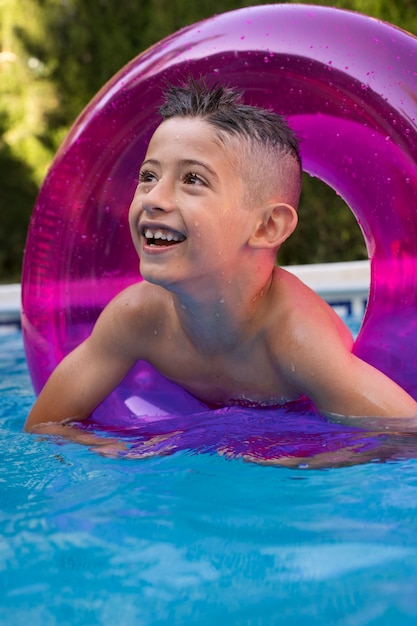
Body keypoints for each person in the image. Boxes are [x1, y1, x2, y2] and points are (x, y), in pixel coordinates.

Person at [25, 78, 417, 447]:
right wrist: (119, 450)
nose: (152, 198)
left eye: (193, 179)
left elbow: (406, 433)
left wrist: (315, 457)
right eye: (148, 176)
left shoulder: (294, 339)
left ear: (267, 226)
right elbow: (44, 426)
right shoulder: (136, 317)